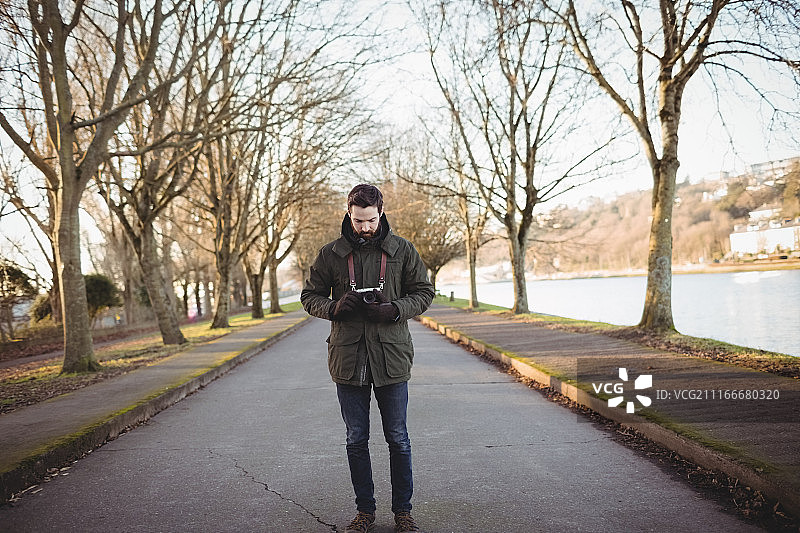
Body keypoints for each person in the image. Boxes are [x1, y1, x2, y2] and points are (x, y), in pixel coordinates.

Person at [301, 184, 434, 533]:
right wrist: (333, 307)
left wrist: (394, 309)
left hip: (391, 358)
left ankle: (403, 512)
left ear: (381, 211)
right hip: (348, 360)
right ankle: (365, 512)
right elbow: (309, 295)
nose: (365, 227)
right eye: (359, 220)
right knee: (356, 439)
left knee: (398, 438)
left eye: (371, 220)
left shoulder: (403, 250)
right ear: (349, 213)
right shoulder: (330, 253)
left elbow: (423, 292)